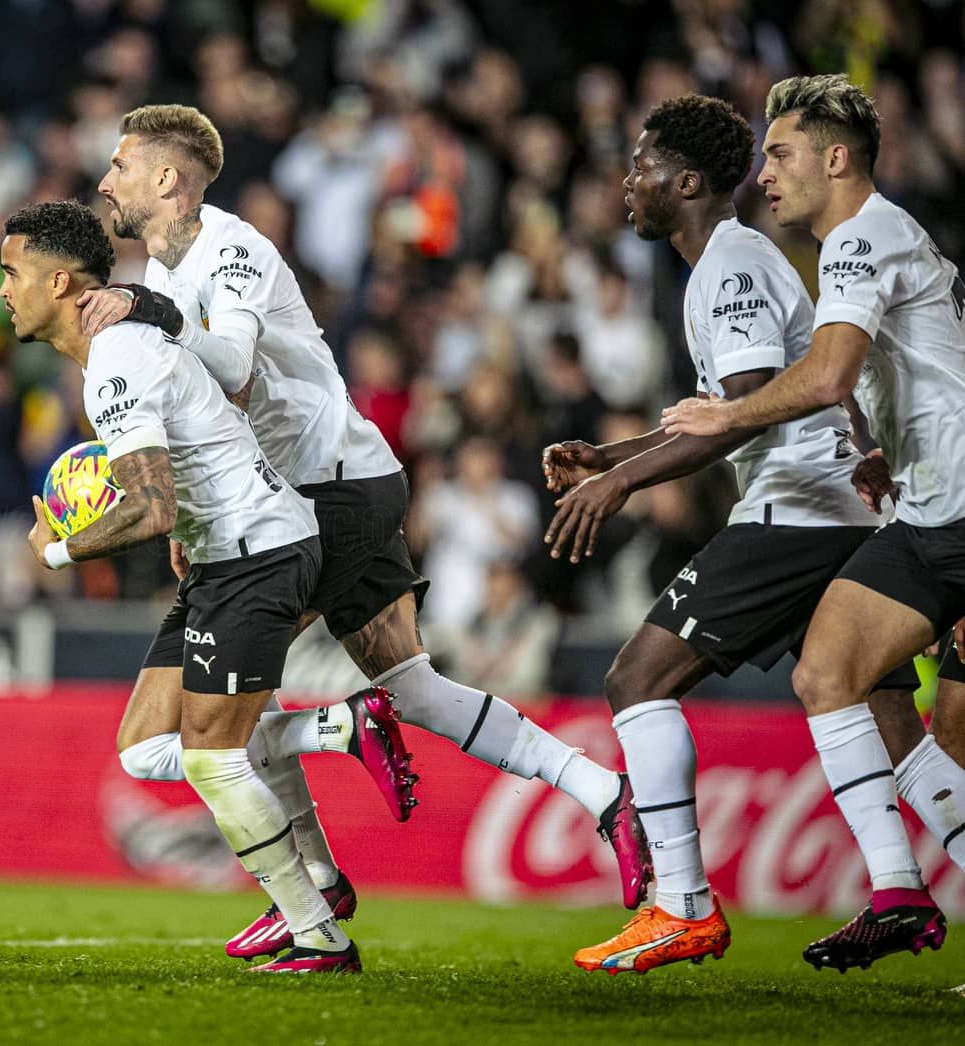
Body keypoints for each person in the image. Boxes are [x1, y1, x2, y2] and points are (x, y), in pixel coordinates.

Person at [77, 104, 649, 960]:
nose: (104, 181)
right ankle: (604, 792)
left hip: (322, 494)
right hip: (314, 489)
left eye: (120, 165)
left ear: (167, 178)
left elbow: (230, 364)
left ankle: (312, 874)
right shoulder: (168, 267)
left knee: (222, 697)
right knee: (411, 689)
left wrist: (149, 311)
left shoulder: (228, 250)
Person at [544, 93, 965, 975]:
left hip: (800, 512)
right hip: (869, 505)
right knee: (873, 707)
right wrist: (615, 452)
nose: (629, 184)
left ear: (685, 180)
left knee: (637, 677)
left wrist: (620, 480)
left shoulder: (742, 261)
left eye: (642, 168)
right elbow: (776, 391)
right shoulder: (753, 259)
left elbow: (748, 410)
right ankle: (897, 887)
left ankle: (683, 904)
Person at [2, 200, 417, 974]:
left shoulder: (116, 361)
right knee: (144, 750)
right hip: (228, 551)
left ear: (59, 282)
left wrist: (58, 550)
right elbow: (194, 455)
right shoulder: (116, 352)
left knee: (210, 758)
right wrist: (195, 526)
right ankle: (336, 730)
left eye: (11, 272)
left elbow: (149, 505)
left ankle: (319, 934)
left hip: (258, 550)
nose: (2, 290)